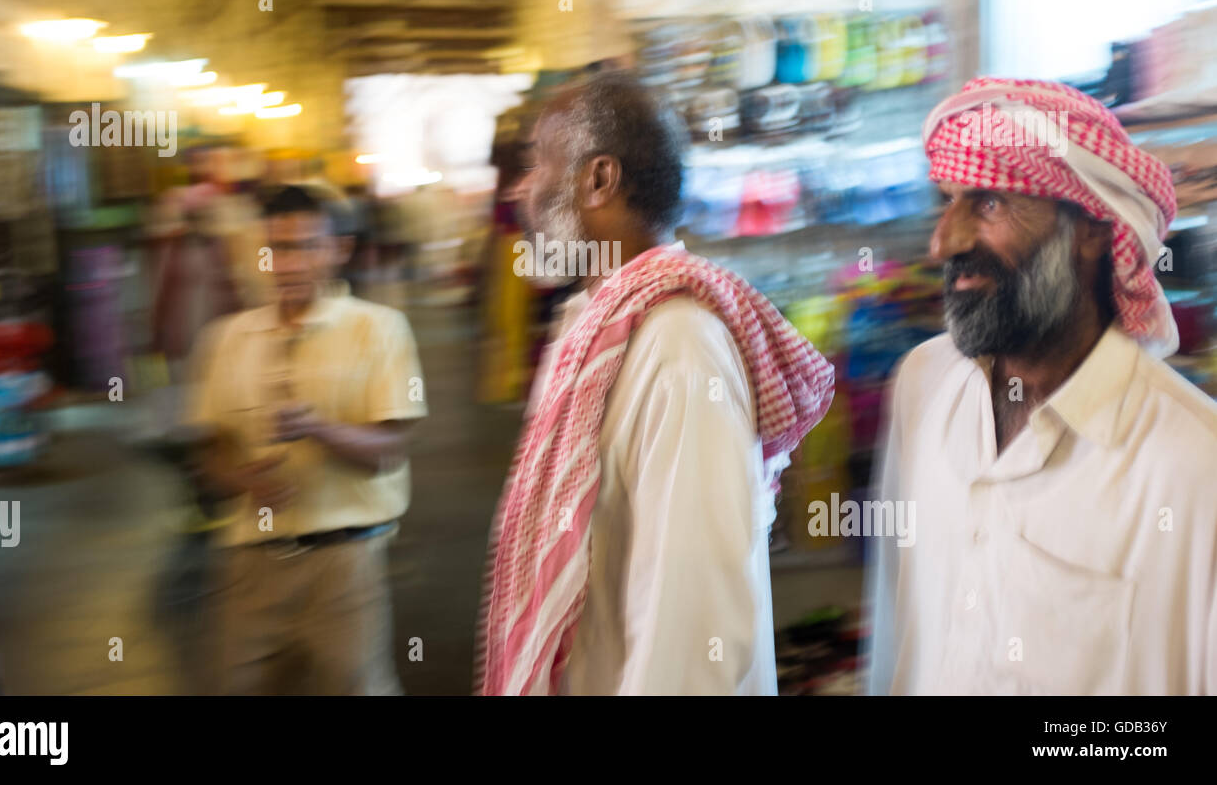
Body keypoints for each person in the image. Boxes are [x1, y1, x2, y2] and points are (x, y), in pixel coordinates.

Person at [476, 73, 834, 695]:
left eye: (537, 164)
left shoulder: (680, 347)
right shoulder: (591, 331)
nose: (521, 190)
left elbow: (694, 630)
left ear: (599, 180)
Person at [868, 77, 1217, 694]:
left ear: (1090, 228)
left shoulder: (1195, 468)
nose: (944, 241)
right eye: (947, 202)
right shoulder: (923, 386)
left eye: (991, 204)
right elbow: (899, 642)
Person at [187, 184, 428, 695]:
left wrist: (317, 428)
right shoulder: (228, 338)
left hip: (343, 568)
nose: (287, 264)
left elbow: (388, 450)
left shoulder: (380, 330)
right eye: (276, 248)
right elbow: (210, 447)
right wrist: (240, 476)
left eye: (304, 247)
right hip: (250, 567)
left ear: (338, 249)